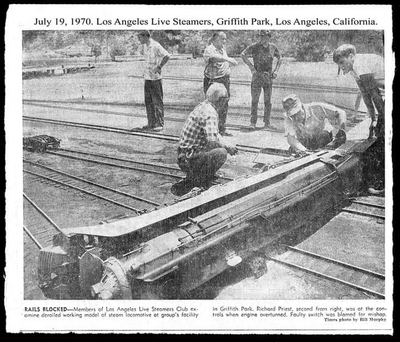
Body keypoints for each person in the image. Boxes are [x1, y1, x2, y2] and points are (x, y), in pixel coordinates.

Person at [333, 44, 385, 194]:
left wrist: (381, 118)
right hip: (384, 91)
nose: (341, 67)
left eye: (342, 62)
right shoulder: (354, 70)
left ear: (351, 57)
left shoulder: (360, 64)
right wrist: (373, 117)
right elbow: (365, 94)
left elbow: (375, 94)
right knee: (379, 131)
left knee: (381, 137)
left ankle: (380, 182)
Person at [172, 83, 238, 196]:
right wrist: (226, 148)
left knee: (221, 149)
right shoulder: (211, 113)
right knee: (221, 153)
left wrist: (228, 145)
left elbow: (215, 134)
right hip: (189, 159)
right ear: (221, 100)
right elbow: (212, 142)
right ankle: (198, 179)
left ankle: (198, 174)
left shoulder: (204, 106)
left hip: (183, 155)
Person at [241, 30, 282, 130]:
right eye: (261, 37)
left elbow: (280, 58)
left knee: (268, 101)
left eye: (265, 37)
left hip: (268, 77)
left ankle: (267, 123)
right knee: (255, 100)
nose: (262, 39)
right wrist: (251, 67)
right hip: (257, 76)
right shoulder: (255, 47)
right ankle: (253, 123)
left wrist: (276, 70)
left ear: (269, 37)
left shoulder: (273, 47)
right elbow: (243, 54)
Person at [282, 94, 347, 154]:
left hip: (323, 139)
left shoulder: (316, 107)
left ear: (301, 106)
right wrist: (304, 151)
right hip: (306, 142)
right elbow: (291, 138)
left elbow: (341, 113)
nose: (295, 118)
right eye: (292, 116)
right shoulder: (288, 119)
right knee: (293, 150)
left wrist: (342, 130)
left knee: (323, 136)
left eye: (297, 113)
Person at [203, 31, 238, 136]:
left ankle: (221, 128)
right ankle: (212, 130)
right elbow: (214, 58)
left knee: (224, 104)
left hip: (224, 79)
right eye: (222, 38)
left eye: (225, 39)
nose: (224, 41)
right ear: (215, 39)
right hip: (213, 80)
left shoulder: (222, 50)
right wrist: (228, 59)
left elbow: (223, 62)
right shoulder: (209, 49)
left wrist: (228, 66)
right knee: (213, 105)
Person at [136, 30, 170, 132]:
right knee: (148, 102)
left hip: (155, 79)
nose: (139, 40)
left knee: (157, 102)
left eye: (140, 37)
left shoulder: (156, 45)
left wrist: (159, 66)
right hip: (147, 78)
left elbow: (167, 56)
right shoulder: (145, 46)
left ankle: (159, 124)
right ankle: (151, 123)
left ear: (146, 36)